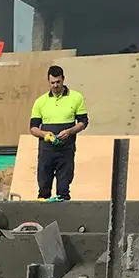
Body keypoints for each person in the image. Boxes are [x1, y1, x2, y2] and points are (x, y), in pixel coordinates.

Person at [29, 65, 88, 202]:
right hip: (46, 151)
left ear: (63, 79)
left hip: (66, 150)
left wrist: (69, 131)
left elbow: (83, 122)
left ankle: (64, 215)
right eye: (52, 83)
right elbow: (33, 128)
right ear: (48, 82)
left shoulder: (76, 97)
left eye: (58, 82)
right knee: (43, 188)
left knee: (63, 189)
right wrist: (45, 135)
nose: (55, 85)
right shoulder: (40, 101)